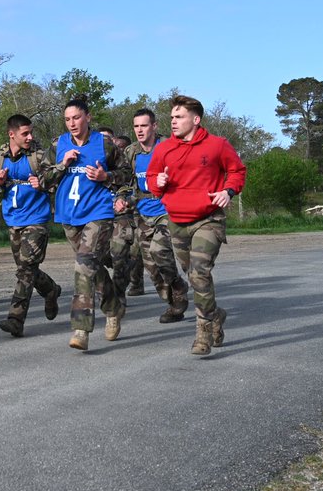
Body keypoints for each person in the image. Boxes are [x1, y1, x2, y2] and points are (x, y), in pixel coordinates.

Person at [146, 95, 246, 356]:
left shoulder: (217, 145)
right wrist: (160, 182)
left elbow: (237, 171)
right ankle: (216, 315)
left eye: (179, 117)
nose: (173, 122)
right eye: (172, 118)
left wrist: (228, 191)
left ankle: (202, 333)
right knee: (194, 278)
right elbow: (151, 180)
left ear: (196, 119)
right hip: (177, 221)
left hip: (208, 219)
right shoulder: (164, 148)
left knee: (200, 272)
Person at [40, 97, 131, 351]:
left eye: (76, 118)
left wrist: (106, 176)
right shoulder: (58, 144)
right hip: (69, 216)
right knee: (92, 267)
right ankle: (113, 308)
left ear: (88, 118)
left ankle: (80, 329)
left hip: (98, 213)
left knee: (83, 268)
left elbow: (126, 174)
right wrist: (62, 164)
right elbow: (43, 179)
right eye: (67, 119)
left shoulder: (104, 144)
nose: (72, 123)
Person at [0, 114, 63, 338]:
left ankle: (16, 319)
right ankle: (50, 290)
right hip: (13, 220)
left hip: (37, 220)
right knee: (27, 270)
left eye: (31, 132)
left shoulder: (39, 156)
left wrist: (43, 184)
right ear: (12, 135)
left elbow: (58, 182)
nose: (30, 137)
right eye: (24, 133)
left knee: (26, 269)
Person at [125, 108, 188, 323]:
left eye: (144, 125)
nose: (140, 130)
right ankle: (174, 301)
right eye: (136, 126)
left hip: (166, 210)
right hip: (143, 213)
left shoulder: (168, 147)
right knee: (152, 268)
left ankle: (178, 286)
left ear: (154, 126)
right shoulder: (132, 152)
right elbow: (125, 181)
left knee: (159, 250)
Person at [96, 127, 140, 309]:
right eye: (100, 139)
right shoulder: (91, 162)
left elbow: (134, 186)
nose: (105, 142)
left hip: (122, 216)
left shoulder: (125, 163)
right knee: (96, 257)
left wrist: (124, 199)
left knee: (119, 255)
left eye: (108, 139)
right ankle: (129, 268)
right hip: (98, 216)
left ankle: (118, 297)